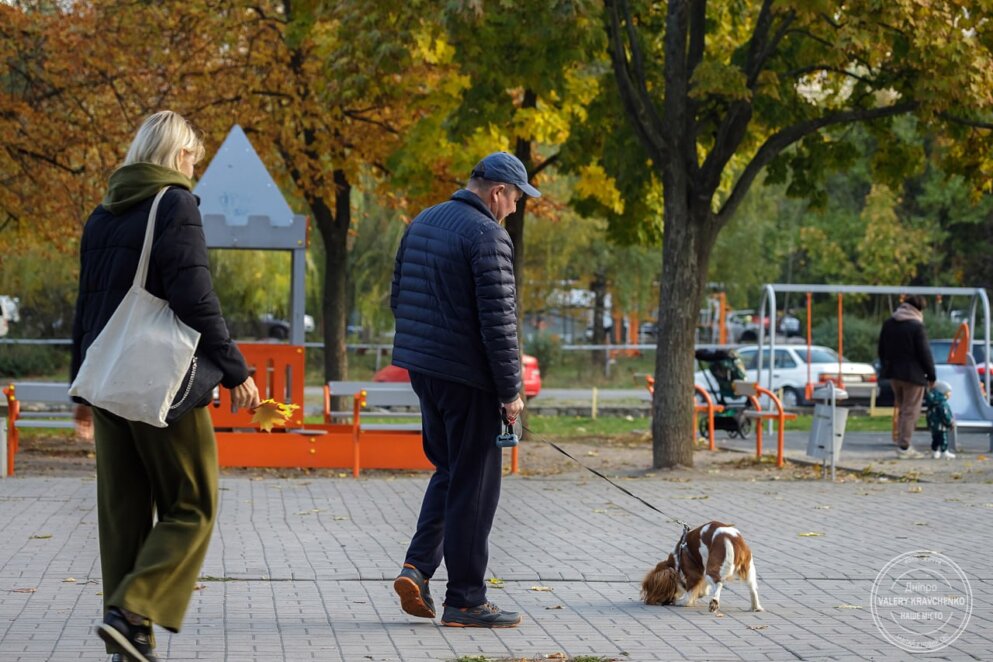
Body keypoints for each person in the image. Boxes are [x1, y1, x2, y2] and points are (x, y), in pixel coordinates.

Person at [70, 110, 260, 662]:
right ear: (178, 156)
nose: (193, 171)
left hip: (107, 382)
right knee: (193, 501)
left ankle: (128, 635)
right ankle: (134, 610)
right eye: (192, 160)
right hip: (160, 385)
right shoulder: (174, 203)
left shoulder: (101, 215)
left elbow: (86, 310)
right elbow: (195, 297)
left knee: (123, 511)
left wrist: (80, 391)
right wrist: (236, 369)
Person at [389, 151, 539, 628]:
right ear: (497, 192)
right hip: (468, 379)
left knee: (451, 472)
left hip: (423, 370)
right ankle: (467, 600)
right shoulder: (487, 235)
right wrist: (511, 390)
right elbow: (499, 324)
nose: (514, 209)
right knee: (476, 488)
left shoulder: (423, 221)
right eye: (515, 199)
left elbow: (398, 296)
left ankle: (417, 568)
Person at [877, 295, 935, 459]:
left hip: (894, 374)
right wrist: (931, 375)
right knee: (911, 411)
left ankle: (901, 441)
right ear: (919, 309)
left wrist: (886, 367)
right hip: (914, 375)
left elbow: (881, 349)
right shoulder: (916, 326)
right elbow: (924, 353)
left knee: (903, 409)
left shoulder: (889, 324)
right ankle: (904, 446)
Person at [924, 381, 956, 459]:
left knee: (935, 438)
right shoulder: (942, 403)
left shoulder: (932, 403)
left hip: (933, 425)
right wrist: (950, 423)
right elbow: (945, 415)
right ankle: (944, 451)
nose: (950, 394)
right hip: (942, 425)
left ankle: (934, 451)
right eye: (949, 392)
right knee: (943, 438)